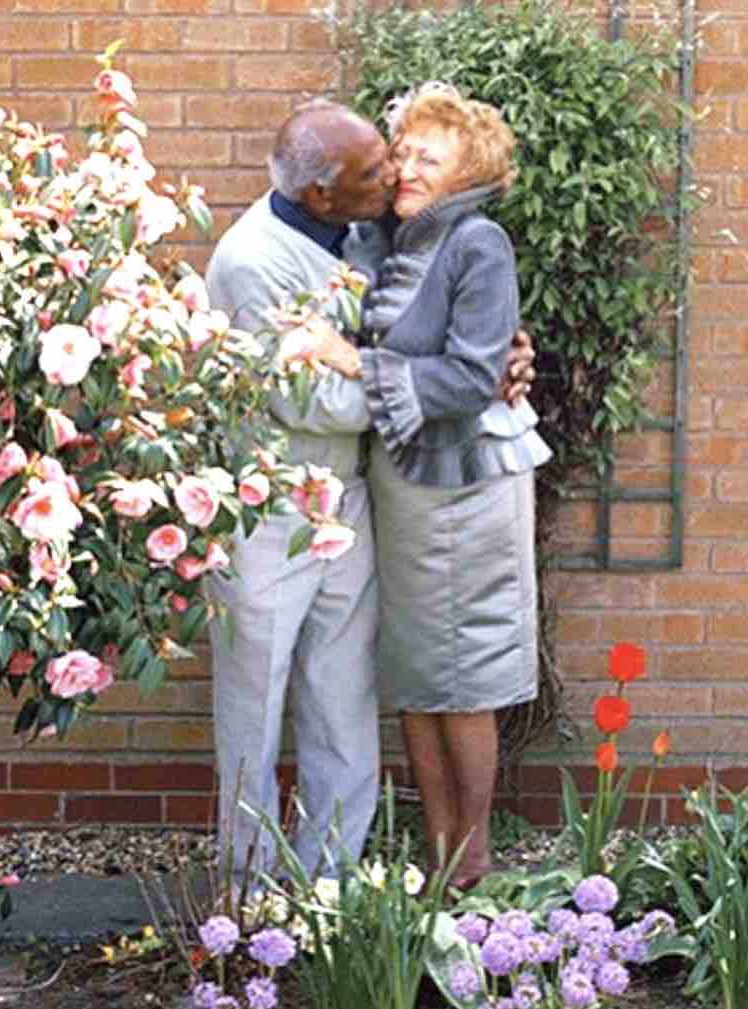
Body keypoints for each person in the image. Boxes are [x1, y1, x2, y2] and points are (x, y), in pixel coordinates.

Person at [204, 99, 537, 884]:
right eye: (379, 168)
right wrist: (455, 388)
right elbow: (306, 399)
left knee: (344, 701)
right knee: (254, 708)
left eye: (404, 159)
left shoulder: (365, 233)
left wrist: (495, 361)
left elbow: (437, 325)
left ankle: (331, 881)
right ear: (321, 194)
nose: (393, 173)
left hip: (353, 501)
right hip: (271, 507)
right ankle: (249, 893)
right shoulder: (254, 261)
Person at [312, 89, 551, 890]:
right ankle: (437, 841)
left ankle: (472, 848)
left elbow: (470, 376)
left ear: (468, 175)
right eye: (403, 151)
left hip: (469, 485)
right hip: (404, 486)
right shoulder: (380, 239)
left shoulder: (479, 244)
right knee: (417, 673)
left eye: (430, 158)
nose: (407, 167)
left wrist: (355, 365)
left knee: (467, 676)